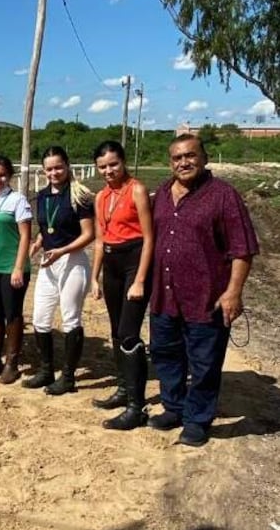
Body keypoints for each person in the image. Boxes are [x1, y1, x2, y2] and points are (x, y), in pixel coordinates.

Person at [148, 134, 259, 447]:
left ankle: (197, 420)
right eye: (177, 158)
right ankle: (174, 407)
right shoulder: (161, 196)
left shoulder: (223, 195)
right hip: (164, 294)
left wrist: (234, 291)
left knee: (204, 362)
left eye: (190, 156)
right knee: (166, 354)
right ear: (170, 162)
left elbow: (242, 249)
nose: (183, 162)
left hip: (206, 297)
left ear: (204, 157)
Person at [90, 140, 154, 430]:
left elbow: (150, 237)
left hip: (134, 260)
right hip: (112, 264)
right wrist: (95, 276)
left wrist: (140, 279)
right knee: (116, 331)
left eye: (113, 164)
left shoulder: (136, 189)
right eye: (102, 166)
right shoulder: (101, 196)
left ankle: (136, 406)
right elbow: (101, 239)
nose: (108, 170)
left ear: (123, 162)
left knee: (129, 333)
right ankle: (124, 387)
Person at [26, 146, 94, 395]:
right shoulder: (43, 196)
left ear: (67, 166)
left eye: (58, 167)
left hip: (72, 260)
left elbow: (89, 234)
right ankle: (46, 370)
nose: (54, 172)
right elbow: (47, 228)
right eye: (49, 169)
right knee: (40, 318)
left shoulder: (80, 195)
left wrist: (63, 250)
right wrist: (37, 243)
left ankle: (68, 377)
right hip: (49, 261)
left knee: (70, 318)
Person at [0, 155, 33, 384]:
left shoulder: (18, 200)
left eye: (2, 175)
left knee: (13, 313)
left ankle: (12, 362)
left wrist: (18, 267)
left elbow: (25, 236)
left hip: (11, 266)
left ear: (9, 176)